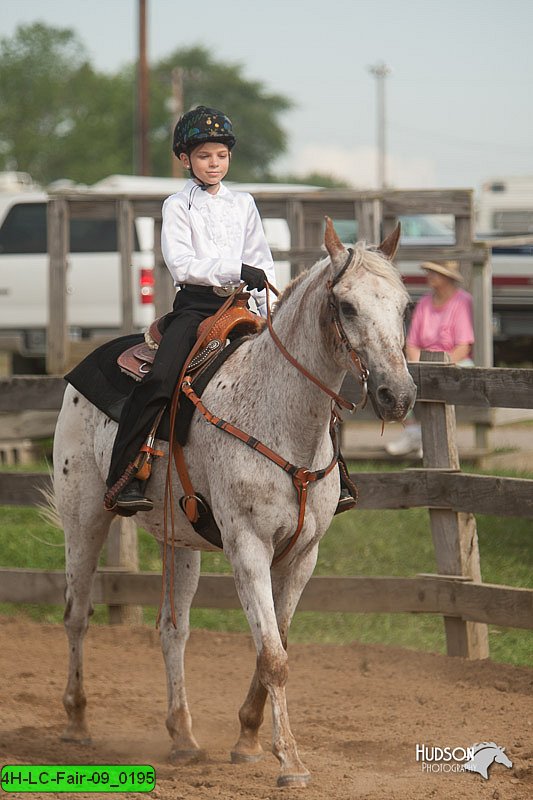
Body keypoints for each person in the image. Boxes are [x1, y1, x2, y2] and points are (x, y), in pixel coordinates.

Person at [106, 105, 276, 513]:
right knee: (161, 380)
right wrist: (236, 268)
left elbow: (263, 260)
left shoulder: (244, 203)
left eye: (220, 155)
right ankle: (123, 476)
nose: (213, 163)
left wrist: (269, 304)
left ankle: (331, 471)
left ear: (229, 157)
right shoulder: (177, 206)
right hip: (196, 308)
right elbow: (181, 264)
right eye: (203, 156)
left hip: (243, 304)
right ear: (186, 160)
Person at [386, 259, 474, 456]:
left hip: (455, 360)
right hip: (422, 360)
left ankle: (431, 437)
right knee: (396, 378)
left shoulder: (462, 300)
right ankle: (412, 431)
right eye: (429, 272)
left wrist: (438, 365)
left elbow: (463, 346)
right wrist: (418, 363)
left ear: (448, 278)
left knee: (441, 381)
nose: (430, 276)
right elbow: (412, 342)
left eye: (435, 272)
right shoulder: (425, 302)